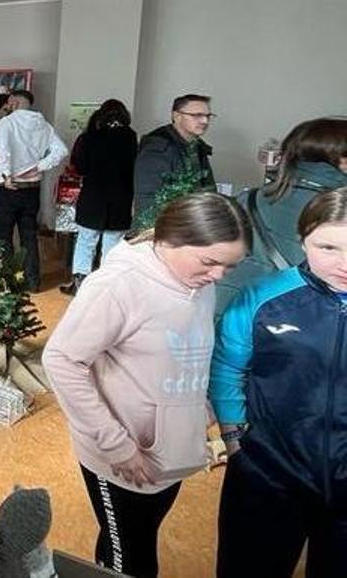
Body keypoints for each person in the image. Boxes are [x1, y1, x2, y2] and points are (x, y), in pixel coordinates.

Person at [44, 192, 251, 578]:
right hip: (118, 456)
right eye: (210, 262)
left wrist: (200, 413)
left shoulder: (200, 282)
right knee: (132, 559)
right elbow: (61, 360)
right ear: (171, 239)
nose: (219, 276)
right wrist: (116, 446)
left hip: (168, 452)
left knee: (131, 540)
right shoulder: (118, 285)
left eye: (230, 266)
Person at [210, 186, 347, 577]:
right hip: (268, 474)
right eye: (328, 248)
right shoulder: (263, 298)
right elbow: (226, 367)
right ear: (303, 241)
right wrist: (235, 440)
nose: (344, 264)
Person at [214, 117, 347, 317]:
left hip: (231, 310)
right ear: (341, 160)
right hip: (300, 324)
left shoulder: (247, 198)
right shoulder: (339, 209)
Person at [61, 99, 138, 295]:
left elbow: (80, 167)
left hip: (93, 196)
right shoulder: (130, 137)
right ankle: (105, 287)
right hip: (121, 198)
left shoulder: (90, 137)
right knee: (112, 244)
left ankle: (79, 283)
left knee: (86, 240)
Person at [0, 90, 68, 291]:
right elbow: (62, 150)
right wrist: (40, 166)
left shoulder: (7, 122)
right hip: (32, 189)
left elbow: (3, 149)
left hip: (10, 187)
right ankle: (32, 282)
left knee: (4, 236)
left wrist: (5, 176)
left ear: (13, 101)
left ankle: (7, 282)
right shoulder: (42, 124)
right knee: (29, 236)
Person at [133, 94, 216, 220]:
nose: (205, 121)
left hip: (192, 224)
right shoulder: (158, 147)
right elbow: (148, 199)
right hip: (165, 229)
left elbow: (208, 190)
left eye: (208, 116)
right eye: (197, 115)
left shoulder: (197, 147)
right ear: (176, 116)